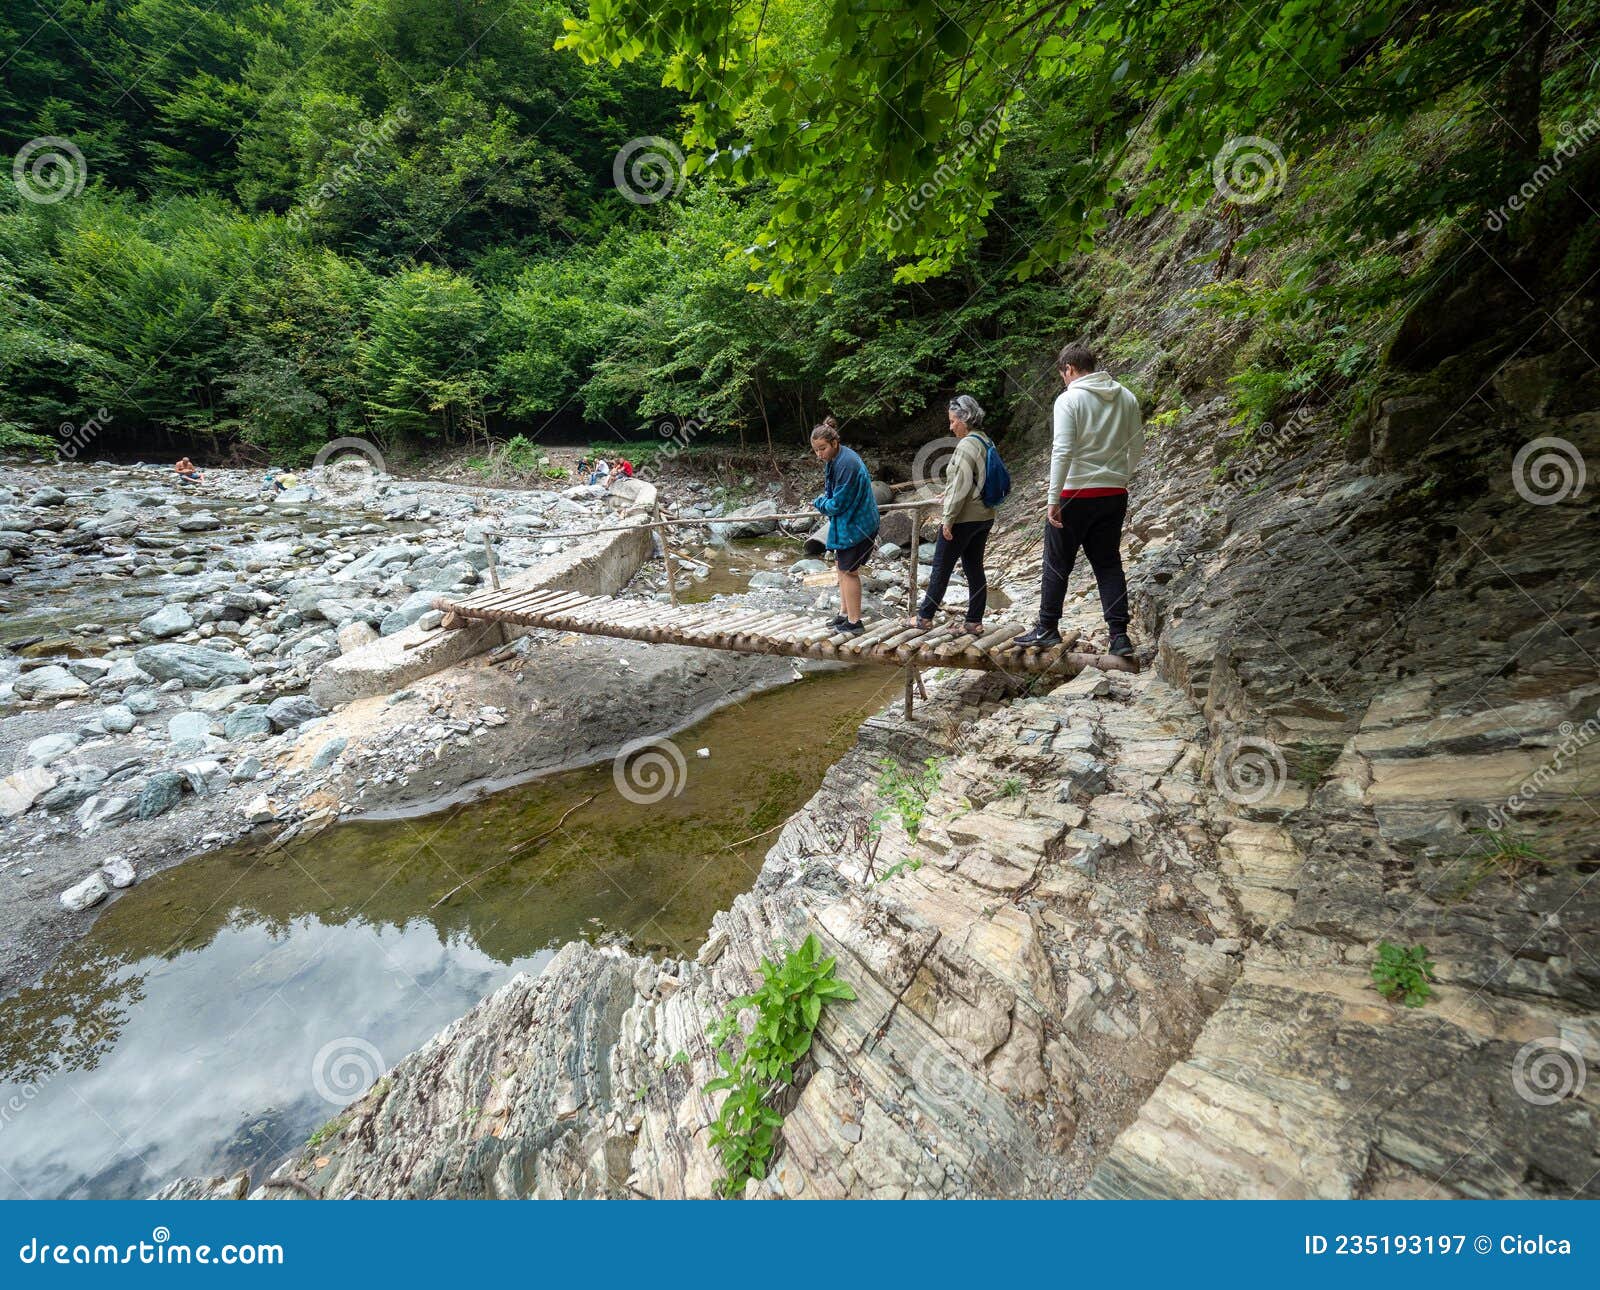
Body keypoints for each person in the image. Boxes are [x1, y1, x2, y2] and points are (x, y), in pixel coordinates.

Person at [1014, 342, 1142, 657]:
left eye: (1063, 375)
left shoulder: (1069, 399)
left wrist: (1052, 497)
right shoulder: (1126, 396)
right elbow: (1137, 443)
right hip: (1113, 492)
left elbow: (1063, 450)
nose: (1064, 381)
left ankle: (1047, 628)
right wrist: (1120, 476)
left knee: (1057, 563)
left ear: (1069, 369)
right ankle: (1119, 636)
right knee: (1108, 563)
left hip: (1074, 493)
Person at [909, 394, 995, 634]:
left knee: (941, 567)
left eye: (953, 420)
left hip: (964, 518)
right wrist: (947, 495)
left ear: (964, 419)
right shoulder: (985, 440)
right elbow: (975, 479)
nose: (951, 426)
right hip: (984, 516)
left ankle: (924, 617)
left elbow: (961, 485)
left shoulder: (967, 444)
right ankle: (974, 620)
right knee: (974, 567)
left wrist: (948, 520)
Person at [810, 416, 879, 635]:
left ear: (834, 443)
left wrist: (819, 502)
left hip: (858, 524)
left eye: (822, 449)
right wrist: (826, 500)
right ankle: (843, 613)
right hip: (849, 522)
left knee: (850, 572)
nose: (819, 454)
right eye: (816, 450)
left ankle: (855, 622)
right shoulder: (835, 459)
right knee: (841, 568)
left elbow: (837, 503)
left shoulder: (847, 464)